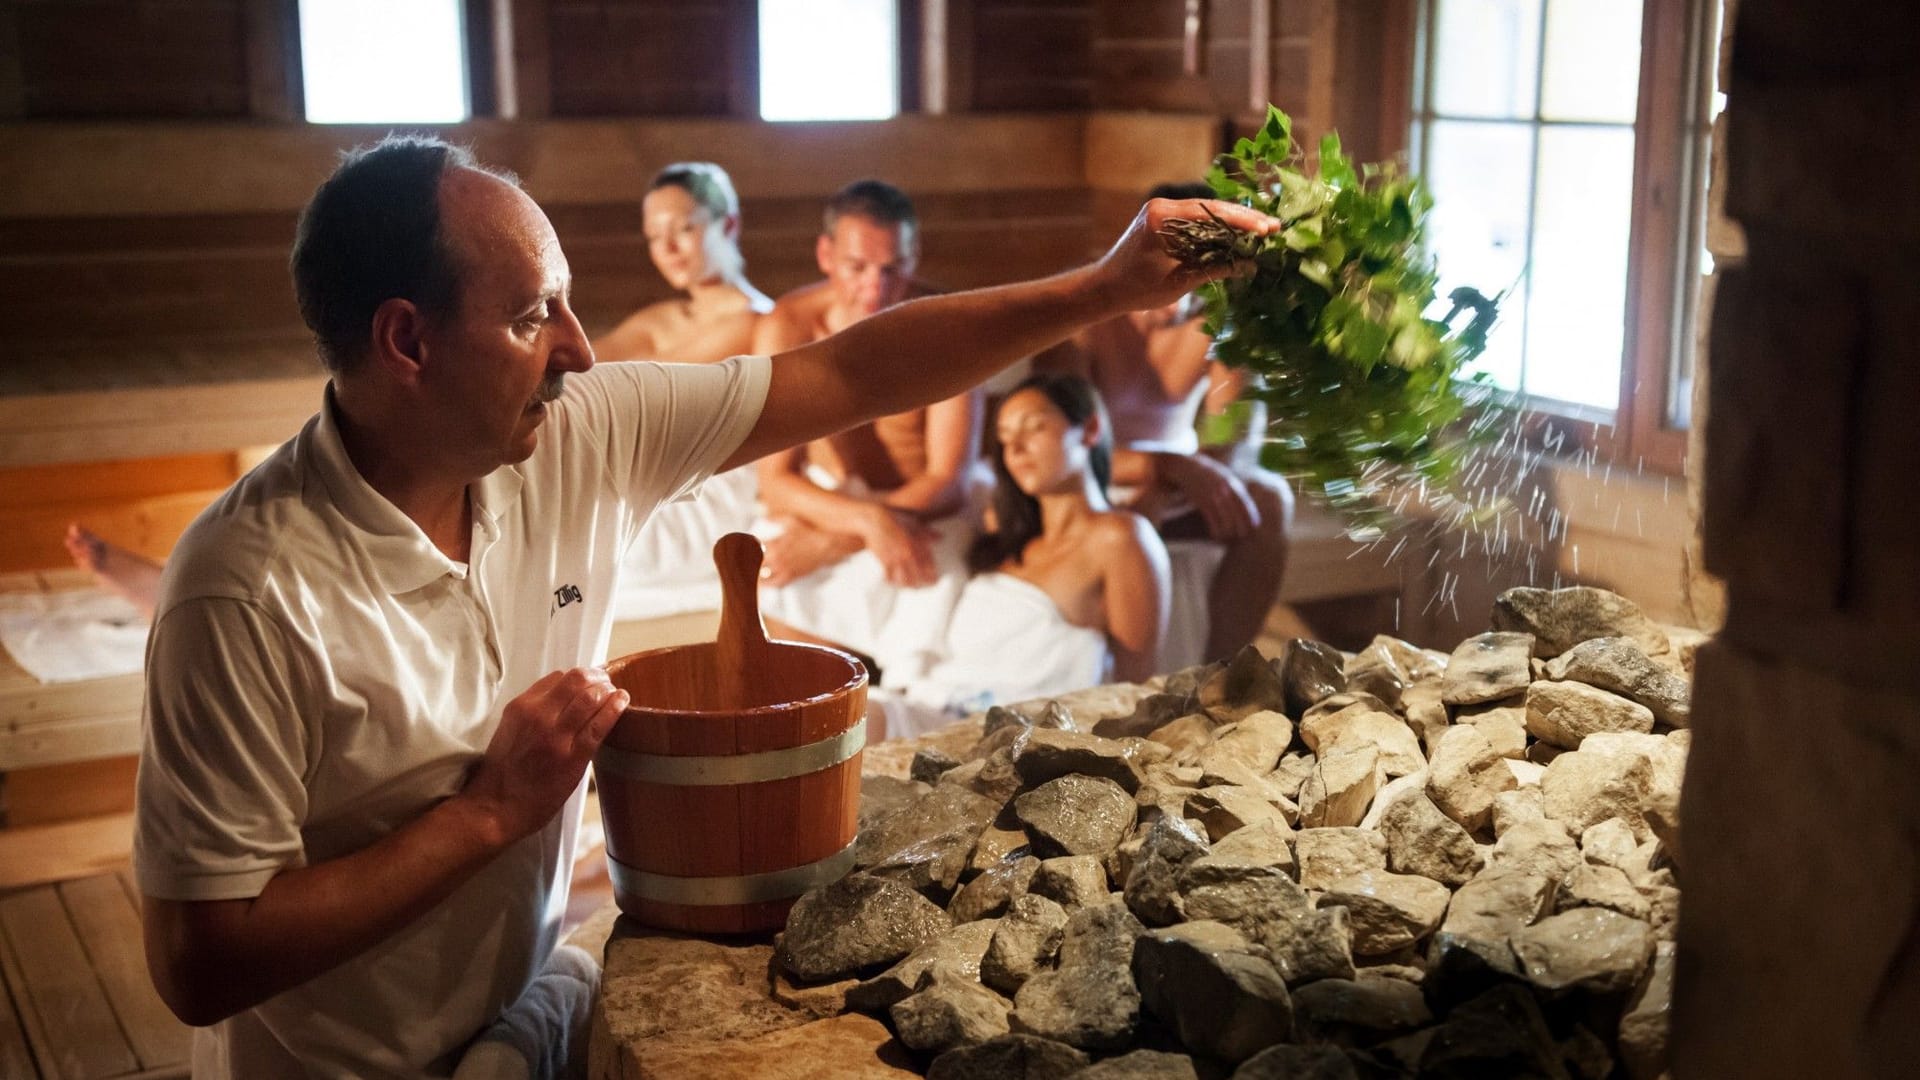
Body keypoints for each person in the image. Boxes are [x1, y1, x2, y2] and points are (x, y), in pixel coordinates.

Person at [132, 133, 1278, 1079]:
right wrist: (489, 813)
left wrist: (1111, 283)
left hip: (523, 1012)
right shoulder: (244, 589)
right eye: (537, 316)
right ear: (406, 340)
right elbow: (199, 964)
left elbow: (854, 371)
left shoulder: (583, 433)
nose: (580, 350)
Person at [1038, 181, 1294, 667]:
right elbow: (1061, 448)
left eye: (1202, 270)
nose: (1184, 286)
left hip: (1178, 480)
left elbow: (1233, 440)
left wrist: (1185, 476)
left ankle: (1220, 675)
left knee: (1269, 500)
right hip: (1092, 478)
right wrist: (1164, 469)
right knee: (1131, 520)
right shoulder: (1085, 313)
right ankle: (1117, 676)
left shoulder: (1219, 321)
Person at [749, 179, 984, 675]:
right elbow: (775, 481)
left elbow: (949, 482)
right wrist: (863, 522)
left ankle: (894, 709)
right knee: (761, 581)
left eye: (892, 269)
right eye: (857, 268)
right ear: (826, 255)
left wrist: (848, 535)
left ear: (913, 256)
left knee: (930, 587)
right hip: (830, 502)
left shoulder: (949, 329)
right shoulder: (790, 326)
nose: (875, 290)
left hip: (922, 511)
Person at [870, 372, 1170, 741]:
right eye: (1006, 438)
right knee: (838, 713)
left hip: (1018, 737)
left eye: (1033, 428)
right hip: (934, 711)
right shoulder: (1001, 538)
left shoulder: (1119, 538)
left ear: (1090, 429)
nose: (1016, 449)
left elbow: (1134, 685)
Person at [592, 163, 773, 618]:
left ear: (727, 225)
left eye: (683, 229)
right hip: (652, 471)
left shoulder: (758, 321)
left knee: (591, 539)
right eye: (654, 236)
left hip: (712, 485)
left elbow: (637, 390)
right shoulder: (662, 319)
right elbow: (575, 369)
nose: (667, 248)